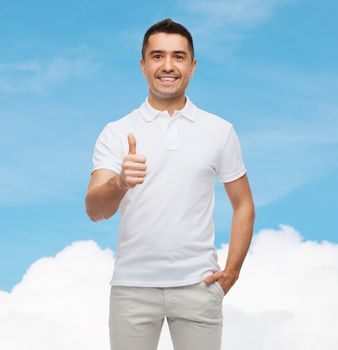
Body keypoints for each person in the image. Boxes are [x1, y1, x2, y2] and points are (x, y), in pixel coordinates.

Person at [85, 18, 255, 350]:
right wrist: (120, 182)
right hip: (132, 288)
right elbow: (95, 210)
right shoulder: (117, 132)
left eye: (178, 56)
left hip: (198, 286)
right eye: (157, 56)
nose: (168, 65)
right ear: (143, 65)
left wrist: (232, 270)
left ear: (192, 66)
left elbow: (243, 203)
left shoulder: (219, 131)